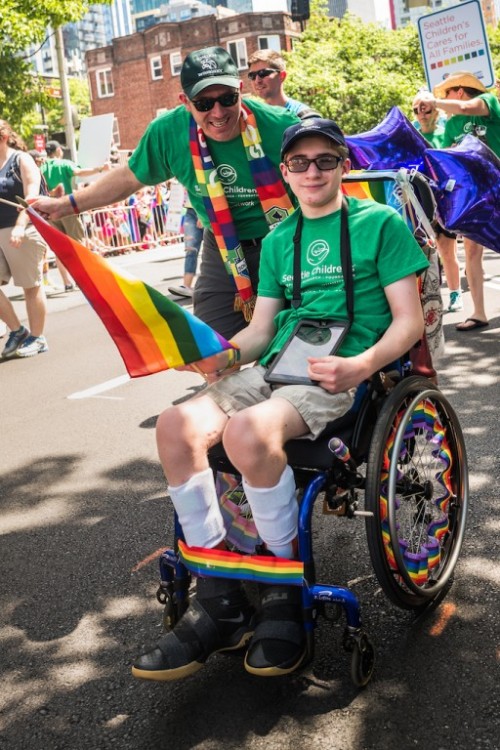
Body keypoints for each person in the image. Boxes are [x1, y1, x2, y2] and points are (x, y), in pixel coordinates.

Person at [131, 118, 429, 682]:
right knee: (174, 426)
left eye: (324, 160)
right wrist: (222, 357)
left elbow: (409, 322)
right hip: (278, 364)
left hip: (342, 373)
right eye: (299, 162)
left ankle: (280, 591)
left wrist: (361, 365)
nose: (312, 171)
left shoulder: (380, 224)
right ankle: (220, 596)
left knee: (247, 434)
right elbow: (262, 330)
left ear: (344, 164)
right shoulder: (277, 239)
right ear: (286, 172)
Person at [32, 46, 302, 340]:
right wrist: (65, 205)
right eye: (203, 103)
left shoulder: (282, 128)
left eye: (227, 99)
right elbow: (128, 178)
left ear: (240, 90)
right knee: (214, 350)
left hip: (285, 240)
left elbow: (325, 183)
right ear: (185, 102)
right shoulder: (167, 133)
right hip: (224, 248)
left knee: (293, 343)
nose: (218, 112)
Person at [422, 72, 500, 331]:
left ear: (459, 91)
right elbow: (448, 161)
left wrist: (433, 101)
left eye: (447, 93)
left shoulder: (488, 103)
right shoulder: (454, 125)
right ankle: (478, 312)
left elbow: (468, 106)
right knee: (471, 252)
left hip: (498, 184)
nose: (444, 99)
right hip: (475, 195)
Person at [0, 120, 49, 358]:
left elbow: (32, 196)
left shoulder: (21, 160)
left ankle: (38, 337)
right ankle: (17, 330)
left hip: (24, 229)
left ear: (3, 138)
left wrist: (20, 226)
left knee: (31, 286)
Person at [411, 90, 463, 312]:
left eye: (425, 108)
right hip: (419, 198)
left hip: (443, 198)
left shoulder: (445, 132)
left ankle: (455, 294)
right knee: (419, 250)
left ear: (435, 109)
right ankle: (421, 299)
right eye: (416, 109)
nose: (421, 113)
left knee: (446, 250)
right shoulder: (412, 133)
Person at [41, 140, 109, 290]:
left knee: (60, 247)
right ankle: (83, 279)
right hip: (66, 207)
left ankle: (67, 282)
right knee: (78, 243)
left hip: (50, 210)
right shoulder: (64, 163)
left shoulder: (41, 167)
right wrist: (100, 169)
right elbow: (79, 172)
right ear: (58, 150)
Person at [247, 49, 316, 118]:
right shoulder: (253, 119)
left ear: (282, 76)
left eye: (263, 73)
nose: (257, 80)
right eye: (252, 75)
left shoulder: (304, 116)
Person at [168, 192, 203, 298]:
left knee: (215, 249)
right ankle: (186, 286)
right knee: (190, 249)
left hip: (207, 208)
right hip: (190, 210)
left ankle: (223, 285)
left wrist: (203, 213)